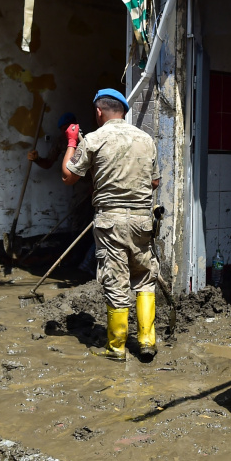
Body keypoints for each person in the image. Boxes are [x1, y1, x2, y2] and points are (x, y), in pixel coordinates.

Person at [61, 89, 160, 362]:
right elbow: (154, 182)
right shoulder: (146, 139)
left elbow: (68, 176)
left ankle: (116, 347)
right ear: (124, 111)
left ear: (98, 111)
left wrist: (72, 142)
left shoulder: (93, 139)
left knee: (116, 282)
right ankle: (147, 341)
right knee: (144, 278)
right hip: (142, 220)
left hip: (111, 221)